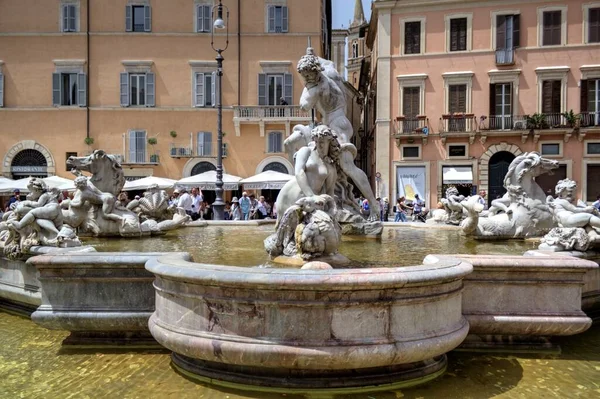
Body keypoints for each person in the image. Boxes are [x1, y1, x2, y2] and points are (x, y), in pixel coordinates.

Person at [297, 46, 380, 220]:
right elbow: (329, 62)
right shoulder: (329, 70)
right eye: (304, 76)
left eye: (308, 76)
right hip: (335, 122)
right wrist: (312, 55)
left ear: (315, 73)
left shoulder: (319, 86)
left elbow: (304, 105)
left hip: (336, 124)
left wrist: (308, 85)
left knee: (348, 166)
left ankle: (374, 204)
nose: (306, 79)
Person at [275, 125, 339, 222]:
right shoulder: (306, 151)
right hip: (292, 195)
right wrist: (311, 196)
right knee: (286, 231)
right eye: (316, 142)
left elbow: (329, 191)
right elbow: (299, 172)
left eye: (322, 142)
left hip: (312, 202)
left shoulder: (330, 165)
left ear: (329, 142)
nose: (319, 145)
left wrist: (331, 209)